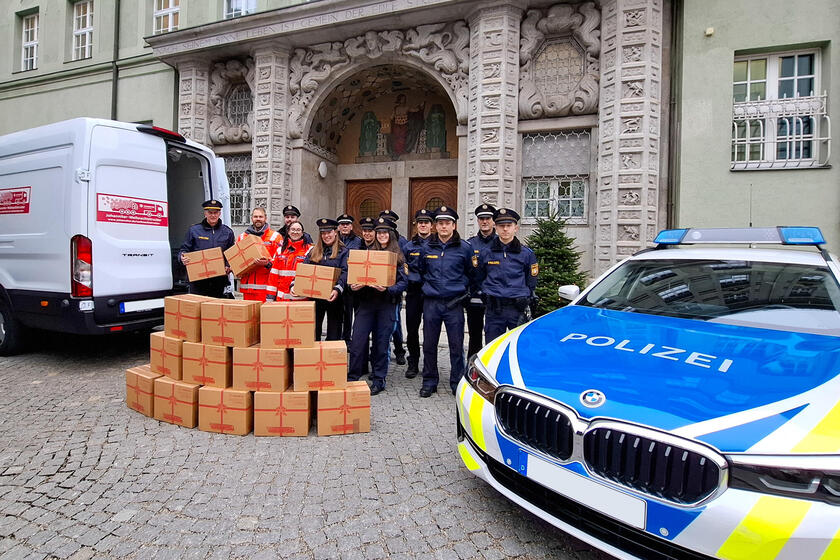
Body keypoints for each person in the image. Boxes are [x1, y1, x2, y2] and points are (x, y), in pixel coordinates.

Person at [416, 206, 475, 397]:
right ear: (435, 226)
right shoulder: (426, 247)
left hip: (454, 303)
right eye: (440, 223)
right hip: (432, 303)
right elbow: (421, 270)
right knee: (429, 344)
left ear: (454, 225)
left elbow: (472, 274)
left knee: (456, 346)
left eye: (447, 223)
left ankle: (457, 381)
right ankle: (429, 381)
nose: (443, 227)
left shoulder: (465, 248)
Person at [347, 217, 408, 395]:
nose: (382, 235)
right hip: (366, 303)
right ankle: (353, 376)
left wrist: (388, 289)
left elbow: (404, 283)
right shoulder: (367, 253)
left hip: (386, 305)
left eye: (385, 233)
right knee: (357, 341)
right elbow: (356, 275)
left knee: (381, 343)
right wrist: (354, 286)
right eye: (379, 232)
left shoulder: (398, 255)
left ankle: (379, 378)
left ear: (390, 235)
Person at [475, 208, 539, 341]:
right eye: (501, 226)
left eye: (508, 226)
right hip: (494, 309)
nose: (505, 229)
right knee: (492, 348)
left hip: (516, 308)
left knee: (517, 346)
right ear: (495, 228)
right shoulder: (486, 252)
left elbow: (531, 280)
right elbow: (479, 276)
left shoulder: (526, 253)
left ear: (516, 228)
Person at [301, 218, 348, 341]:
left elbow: (345, 272)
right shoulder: (313, 251)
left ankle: (330, 357)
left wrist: (338, 289)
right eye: (323, 233)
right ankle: (314, 357)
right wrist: (296, 285)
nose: (326, 236)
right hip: (316, 297)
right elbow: (304, 269)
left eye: (329, 232)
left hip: (335, 297)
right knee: (313, 330)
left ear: (335, 232)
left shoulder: (343, 251)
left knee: (334, 331)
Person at [179, 199, 236, 298]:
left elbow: (232, 253)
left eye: (215, 212)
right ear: (205, 213)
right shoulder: (194, 230)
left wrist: (228, 266)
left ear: (219, 213)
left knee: (216, 309)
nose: (213, 215)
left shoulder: (227, 232)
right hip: (198, 281)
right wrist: (182, 257)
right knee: (197, 309)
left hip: (218, 280)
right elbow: (184, 250)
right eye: (210, 213)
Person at [402, 208, 434, 379]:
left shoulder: (437, 245)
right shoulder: (408, 247)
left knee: (430, 331)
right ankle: (413, 362)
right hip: (414, 293)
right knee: (412, 330)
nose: (423, 225)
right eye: (420, 222)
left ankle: (429, 365)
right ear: (416, 225)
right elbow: (404, 270)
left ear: (431, 225)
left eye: (426, 222)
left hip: (431, 294)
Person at [466, 203, 497, 356]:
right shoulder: (470, 244)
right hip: (475, 297)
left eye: (488, 218)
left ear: (493, 221)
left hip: (494, 297)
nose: (484, 222)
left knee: (493, 337)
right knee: (474, 336)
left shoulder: (500, 243)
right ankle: (472, 367)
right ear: (478, 221)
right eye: (481, 219)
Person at [379, 210, 407, 365]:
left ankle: (399, 351)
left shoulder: (400, 242)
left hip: (392, 292)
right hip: (378, 292)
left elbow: (403, 265)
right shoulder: (378, 242)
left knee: (395, 324)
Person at [235, 207, 281, 302]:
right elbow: (236, 260)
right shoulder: (242, 237)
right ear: (251, 218)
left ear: (265, 218)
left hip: (267, 288)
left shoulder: (275, 237)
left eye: (261, 216)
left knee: (265, 316)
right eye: (255, 216)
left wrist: (267, 264)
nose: (258, 219)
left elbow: (279, 261)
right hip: (247, 289)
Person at [265, 222, 311, 301]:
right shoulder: (280, 251)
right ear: (288, 231)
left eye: (298, 230)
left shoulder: (309, 251)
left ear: (302, 233)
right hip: (281, 299)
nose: (295, 232)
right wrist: (270, 298)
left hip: (300, 299)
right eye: (292, 229)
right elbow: (273, 276)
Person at [338, 214, 363, 346]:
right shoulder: (334, 239)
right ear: (339, 226)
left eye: (347, 224)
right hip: (342, 281)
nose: (345, 226)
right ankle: (346, 338)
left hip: (355, 281)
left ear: (351, 226)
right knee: (345, 313)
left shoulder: (359, 241)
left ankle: (357, 338)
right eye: (342, 224)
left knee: (357, 312)